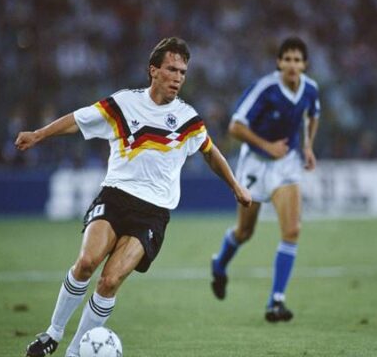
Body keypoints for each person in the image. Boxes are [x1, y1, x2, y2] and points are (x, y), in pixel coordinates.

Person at [16, 37, 252, 357]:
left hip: (153, 213)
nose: (178, 78)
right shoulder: (124, 103)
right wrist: (39, 134)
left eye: (182, 72)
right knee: (86, 263)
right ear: (153, 70)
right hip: (115, 196)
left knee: (109, 281)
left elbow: (210, 152)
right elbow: (78, 119)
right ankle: (52, 334)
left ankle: (74, 352)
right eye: (171, 69)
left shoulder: (189, 119)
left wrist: (235, 185)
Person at [210, 37, 319, 322]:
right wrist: (267, 145)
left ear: (304, 64)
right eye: (288, 59)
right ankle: (219, 264)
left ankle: (276, 301)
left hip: (286, 164)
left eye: (298, 60)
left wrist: (308, 146)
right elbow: (235, 127)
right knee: (245, 232)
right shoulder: (265, 89)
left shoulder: (310, 89)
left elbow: (313, 115)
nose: (292, 65)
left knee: (292, 230)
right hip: (255, 164)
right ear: (279, 62)